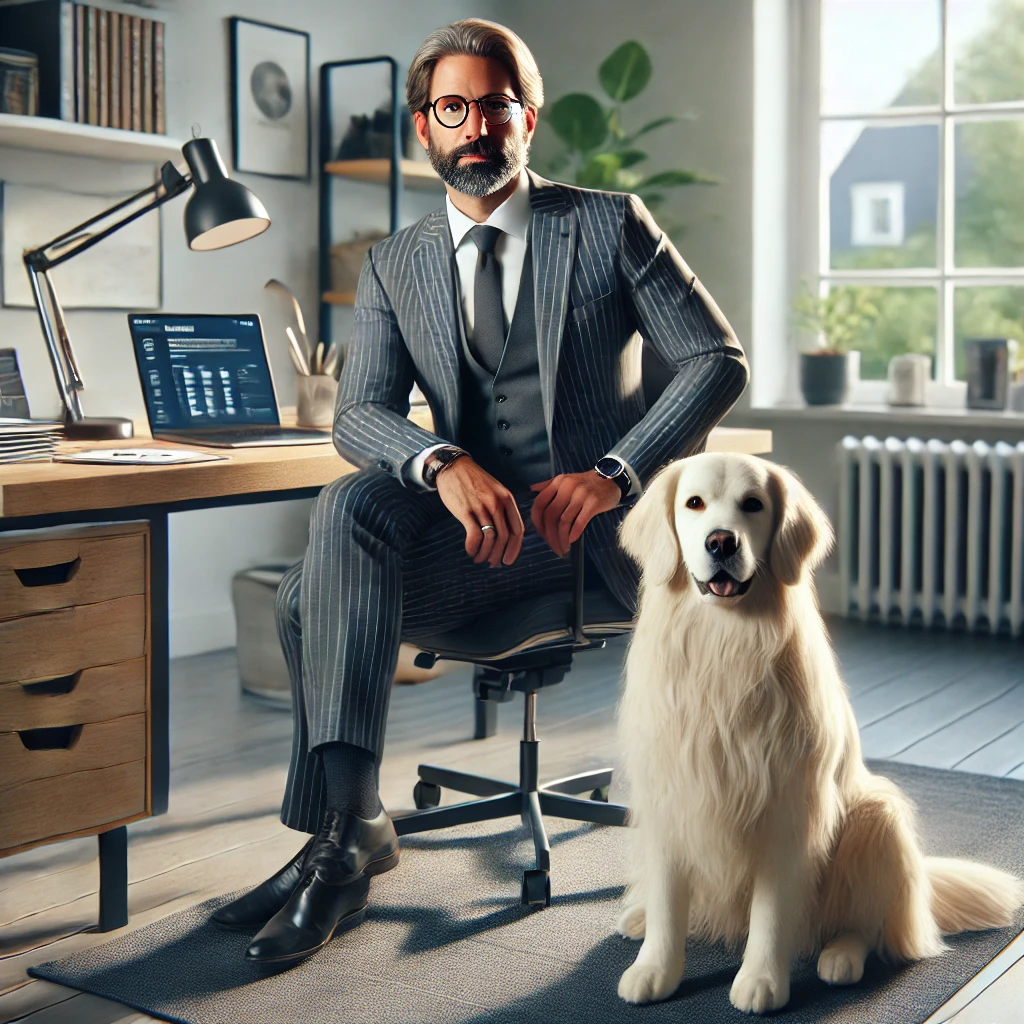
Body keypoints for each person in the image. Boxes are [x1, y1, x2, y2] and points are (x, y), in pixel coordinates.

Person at [212, 17, 749, 966]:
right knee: (349, 511)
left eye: (492, 106)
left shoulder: (609, 224)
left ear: (526, 117)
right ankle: (346, 834)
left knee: (306, 599)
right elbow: (360, 415)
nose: (474, 126)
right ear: (425, 126)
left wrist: (615, 472)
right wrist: (438, 463)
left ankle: (347, 838)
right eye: (451, 108)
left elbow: (716, 359)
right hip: (475, 535)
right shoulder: (395, 262)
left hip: (595, 539)